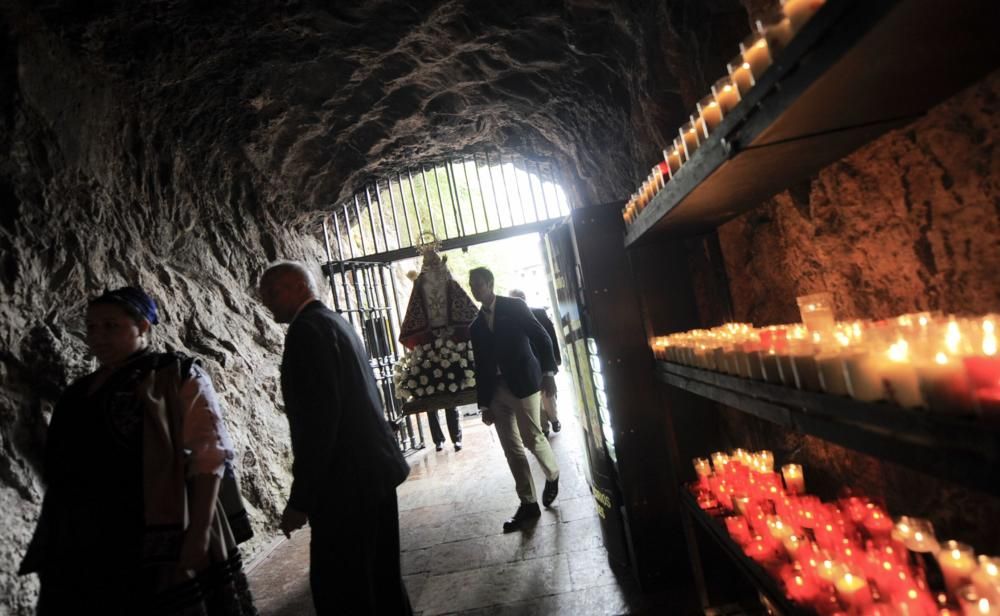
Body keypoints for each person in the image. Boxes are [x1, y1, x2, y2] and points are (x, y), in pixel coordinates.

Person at [19, 286, 257, 615]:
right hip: (87, 538)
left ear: (143, 326)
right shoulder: (79, 392)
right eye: (91, 327)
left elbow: (209, 454)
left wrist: (199, 532)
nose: (97, 336)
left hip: (160, 530)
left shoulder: (177, 375)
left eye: (110, 326)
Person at [258, 261, 412, 615]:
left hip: (347, 483)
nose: (266, 301)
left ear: (299, 286)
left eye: (272, 292)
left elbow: (318, 422)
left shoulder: (306, 332)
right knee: (381, 576)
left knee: (344, 587)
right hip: (375, 472)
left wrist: (301, 499)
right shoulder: (336, 322)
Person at [468, 267, 560, 533]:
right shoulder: (475, 326)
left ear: (490, 282)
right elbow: (481, 365)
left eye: (479, 284)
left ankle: (553, 474)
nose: (476, 289)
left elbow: (540, 337)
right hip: (495, 390)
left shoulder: (515, 307)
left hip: (524, 383)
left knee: (531, 437)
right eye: (472, 285)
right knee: (511, 448)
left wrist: (548, 372)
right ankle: (528, 502)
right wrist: (484, 403)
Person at [508, 289, 562, 436]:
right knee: (538, 396)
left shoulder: (538, 313)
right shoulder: (511, 320)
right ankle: (546, 425)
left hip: (542, 361)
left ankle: (553, 419)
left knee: (547, 393)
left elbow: (550, 337)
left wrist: (555, 359)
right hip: (528, 365)